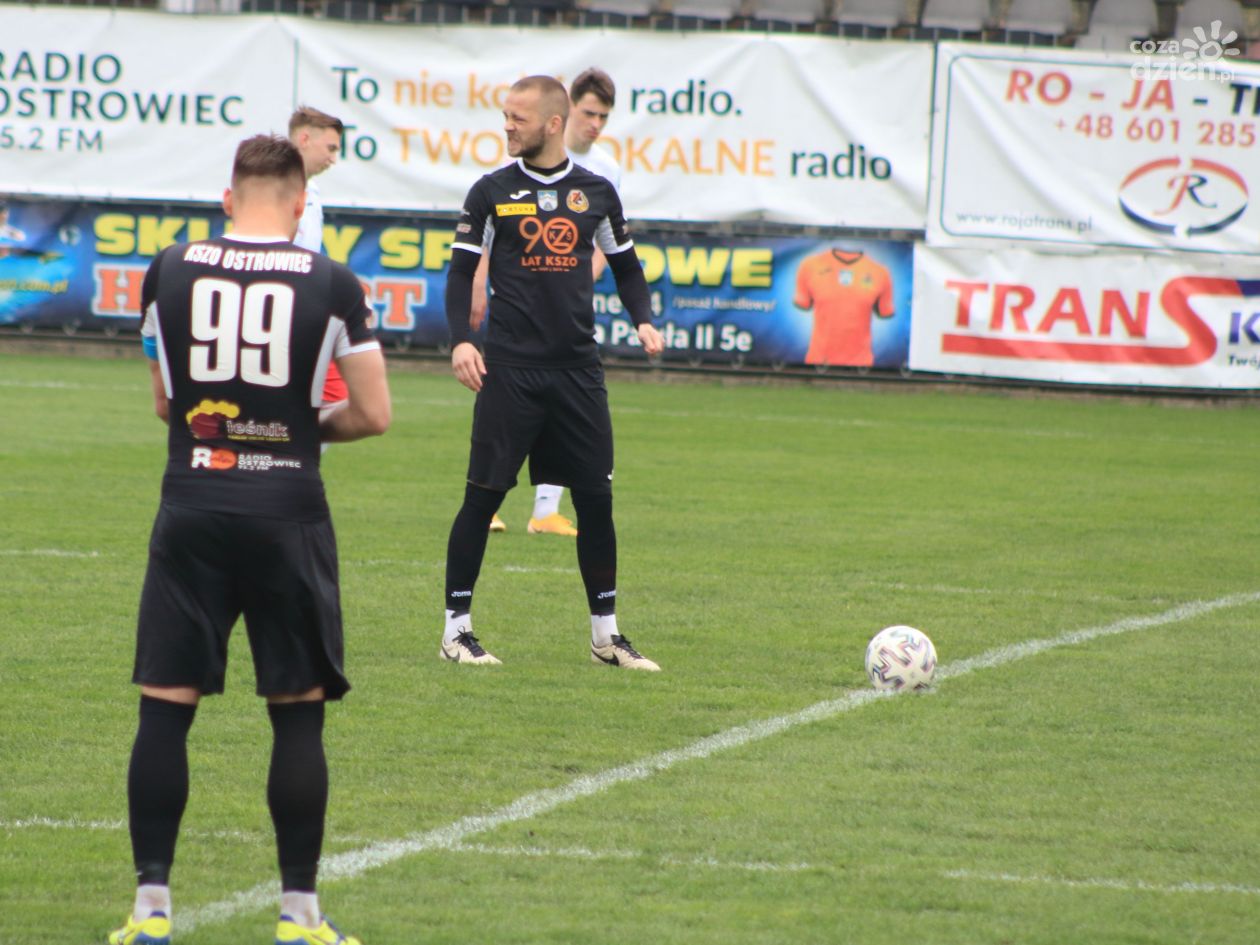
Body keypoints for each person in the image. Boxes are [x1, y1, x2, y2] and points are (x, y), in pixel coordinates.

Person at [110, 134, 389, 945]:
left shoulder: (168, 269)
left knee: (165, 706)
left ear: (227, 199)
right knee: (297, 715)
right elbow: (373, 413)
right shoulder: (333, 282)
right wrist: (294, 430)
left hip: (192, 503)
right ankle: (299, 914)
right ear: (301, 205)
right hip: (287, 509)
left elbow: (167, 404)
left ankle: (151, 908)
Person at [441, 75, 663, 670]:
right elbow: (460, 273)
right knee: (482, 498)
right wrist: (461, 341)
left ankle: (606, 639)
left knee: (596, 501)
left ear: (553, 123)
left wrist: (643, 320)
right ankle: (456, 632)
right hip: (510, 370)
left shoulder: (597, 192)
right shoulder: (490, 192)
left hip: (577, 373)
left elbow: (627, 267)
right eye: (506, 115)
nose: (507, 126)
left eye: (518, 117)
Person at [473, 68, 622, 538]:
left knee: (564, 404)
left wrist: (577, 278)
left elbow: (608, 238)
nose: (595, 124)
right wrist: (478, 281)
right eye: (589, 113)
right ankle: (490, 499)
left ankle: (545, 511)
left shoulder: (606, 171)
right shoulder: (514, 164)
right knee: (507, 403)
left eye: (604, 117)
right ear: (565, 112)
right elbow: (487, 234)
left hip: (566, 312)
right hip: (517, 316)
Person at [289, 107, 351, 415]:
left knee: (324, 403)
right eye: (330, 148)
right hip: (283, 314)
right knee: (336, 403)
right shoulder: (276, 188)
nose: (333, 158)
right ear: (304, 139)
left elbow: (309, 256)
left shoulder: (311, 190)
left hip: (304, 313)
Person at [793, 247, 894, 367]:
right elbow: (802, 303)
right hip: (818, 363)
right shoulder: (809, 266)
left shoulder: (880, 272)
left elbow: (885, 311)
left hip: (861, 366)